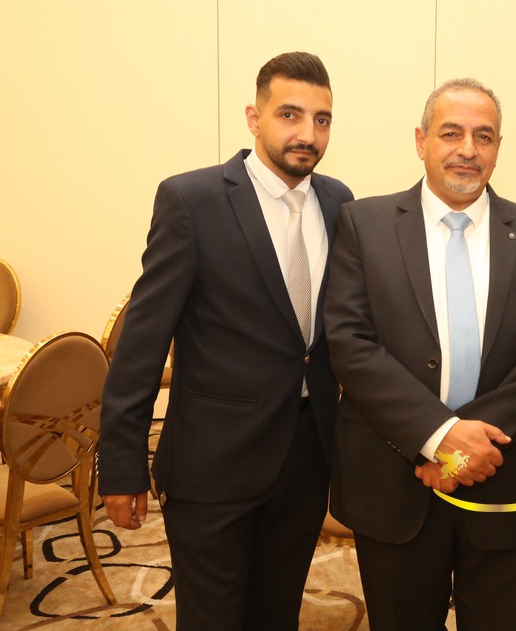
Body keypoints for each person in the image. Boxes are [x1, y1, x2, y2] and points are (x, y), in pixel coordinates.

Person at [98, 52, 353, 630]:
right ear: (254, 118)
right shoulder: (192, 201)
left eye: (321, 119)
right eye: (289, 114)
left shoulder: (339, 202)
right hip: (213, 463)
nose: (307, 133)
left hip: (306, 457)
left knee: (277, 613)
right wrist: (121, 465)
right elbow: (142, 345)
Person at [324, 78, 516, 631]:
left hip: (501, 476)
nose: (468, 149)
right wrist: (438, 437)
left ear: (499, 147)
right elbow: (350, 342)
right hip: (395, 478)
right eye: (451, 133)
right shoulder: (364, 225)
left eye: (484, 136)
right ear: (421, 141)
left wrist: (469, 444)